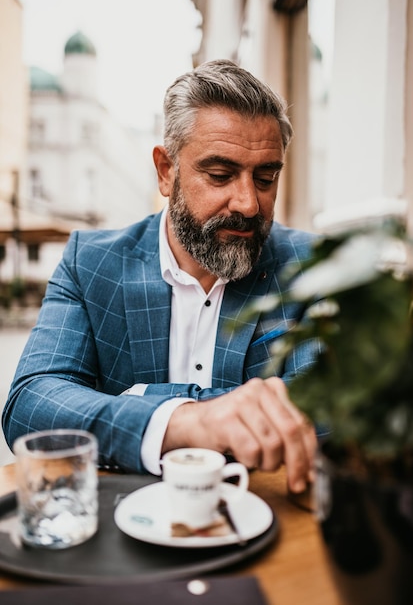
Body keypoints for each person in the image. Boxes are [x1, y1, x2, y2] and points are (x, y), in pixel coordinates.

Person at [2, 59, 319, 493]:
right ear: (166, 171)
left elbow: (328, 419)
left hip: (264, 527)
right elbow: (30, 405)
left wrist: (139, 404)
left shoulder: (311, 266)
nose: (248, 203)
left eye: (265, 178)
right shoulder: (89, 263)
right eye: (220, 175)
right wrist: (187, 420)